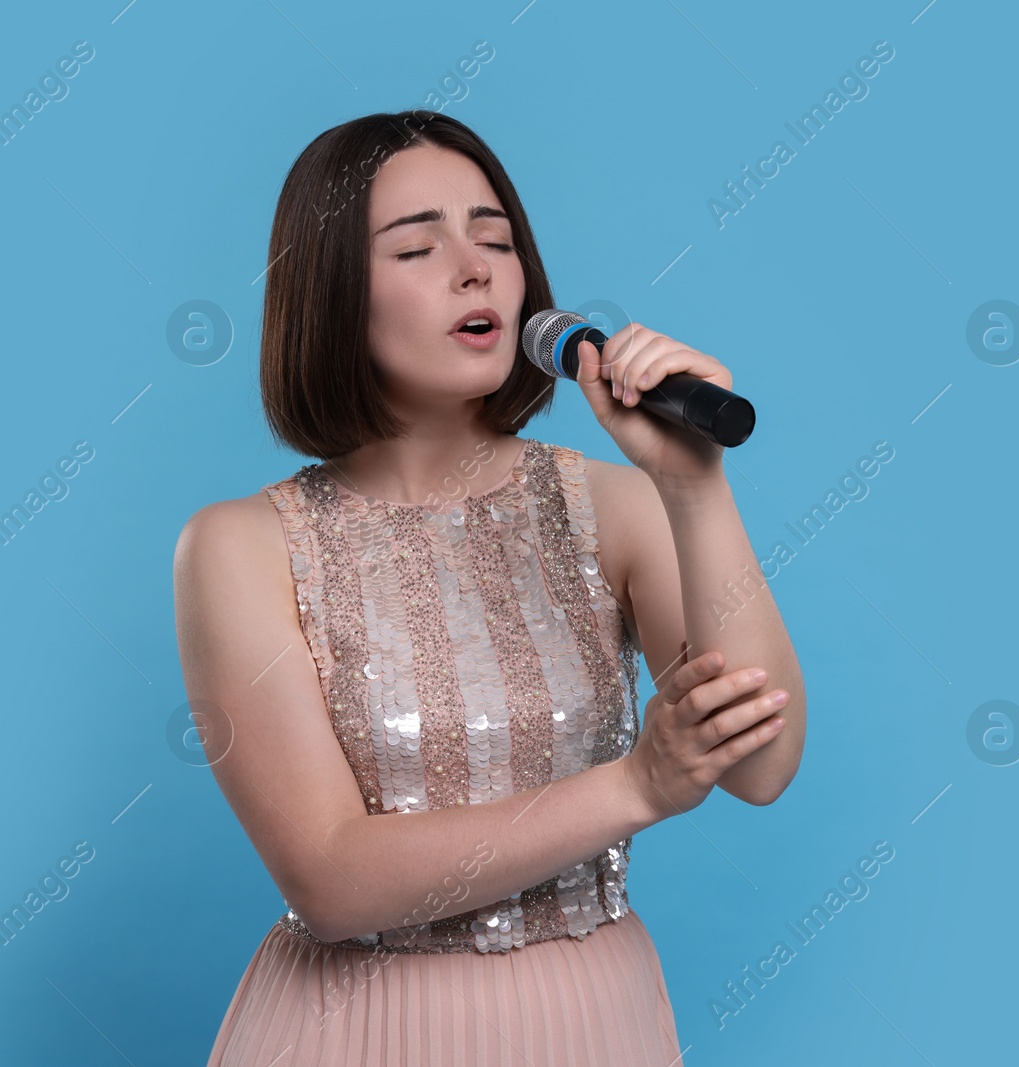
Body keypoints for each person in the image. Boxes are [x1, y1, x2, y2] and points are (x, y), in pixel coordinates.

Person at [172, 110, 805, 1066]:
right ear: (331, 292)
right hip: (351, 1034)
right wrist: (636, 786)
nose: (475, 269)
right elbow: (332, 881)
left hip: (593, 1023)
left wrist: (694, 488)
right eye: (418, 246)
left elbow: (761, 765)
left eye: (496, 239)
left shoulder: (617, 508)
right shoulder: (238, 546)